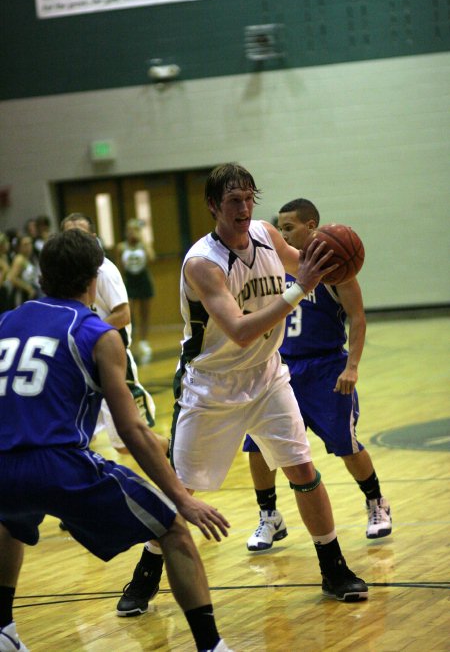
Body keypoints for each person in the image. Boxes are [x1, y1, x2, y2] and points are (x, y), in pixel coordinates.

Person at [117, 163, 368, 617]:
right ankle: (146, 573)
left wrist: (335, 260)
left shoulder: (268, 235)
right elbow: (239, 330)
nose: (244, 207)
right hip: (211, 387)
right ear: (213, 206)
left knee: (302, 469)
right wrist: (301, 289)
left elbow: (306, 268)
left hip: (269, 377)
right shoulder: (202, 264)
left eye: (250, 197)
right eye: (234, 200)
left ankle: (333, 568)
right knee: (181, 488)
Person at [0, 229, 233, 652]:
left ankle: (2, 631)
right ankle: (211, 646)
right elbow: (132, 431)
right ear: (94, 279)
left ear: (41, 275)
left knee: (10, 520)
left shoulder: (4, 323)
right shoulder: (95, 332)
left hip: (1, 466)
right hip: (59, 465)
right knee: (173, 529)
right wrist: (182, 496)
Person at [244, 198, 392, 552]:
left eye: (289, 227)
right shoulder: (273, 264)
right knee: (258, 446)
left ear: (311, 226)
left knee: (346, 444)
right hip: (280, 369)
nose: (282, 233)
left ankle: (377, 503)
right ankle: (269, 516)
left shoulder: (336, 268)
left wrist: (352, 366)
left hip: (325, 368)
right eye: (279, 227)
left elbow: (357, 317)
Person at [60, 213, 168, 455]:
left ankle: (174, 455)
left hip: (112, 360)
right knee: (77, 437)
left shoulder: (104, 270)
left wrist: (85, 334)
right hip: (80, 363)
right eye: (70, 234)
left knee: (131, 441)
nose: (75, 239)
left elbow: (123, 315)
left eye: (81, 233)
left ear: (93, 238)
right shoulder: (66, 276)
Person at [117, 219, 155, 364]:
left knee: (144, 313)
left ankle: (144, 341)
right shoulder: (121, 247)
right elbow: (120, 267)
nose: (132, 233)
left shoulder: (144, 245)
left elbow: (152, 258)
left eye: (135, 230)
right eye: (129, 230)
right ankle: (129, 339)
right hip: (130, 282)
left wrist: (144, 242)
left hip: (143, 281)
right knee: (129, 313)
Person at [6, 235, 40, 307]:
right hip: (20, 294)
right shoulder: (19, 259)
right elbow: (12, 278)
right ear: (19, 247)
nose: (29, 246)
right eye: (25, 244)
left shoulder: (28, 259)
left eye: (30, 243)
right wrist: (28, 288)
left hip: (28, 293)